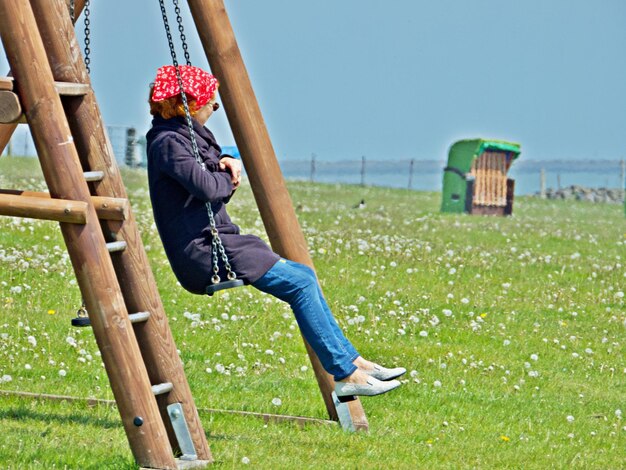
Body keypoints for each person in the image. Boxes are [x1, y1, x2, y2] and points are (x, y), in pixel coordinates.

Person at [146, 65, 404, 400]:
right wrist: (231, 176)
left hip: (219, 241)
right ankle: (345, 372)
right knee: (299, 283)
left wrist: (227, 159)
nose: (215, 110)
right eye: (213, 103)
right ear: (191, 104)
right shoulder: (169, 143)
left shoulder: (181, 137)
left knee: (303, 277)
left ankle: (354, 363)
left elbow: (210, 168)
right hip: (203, 250)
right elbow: (209, 187)